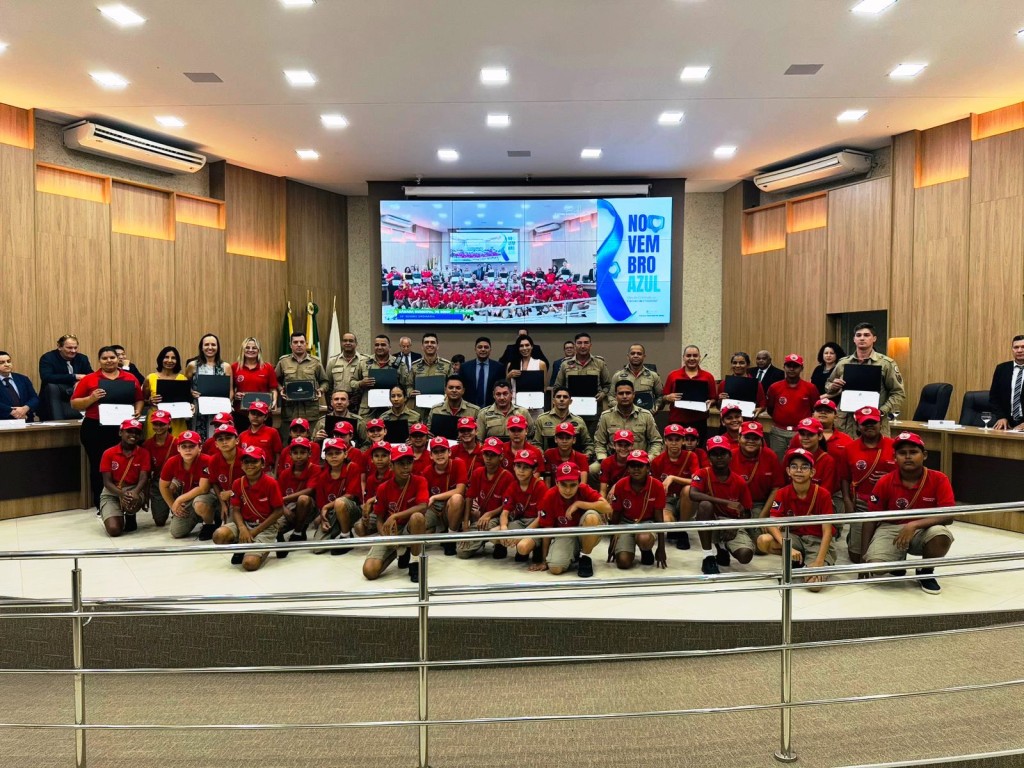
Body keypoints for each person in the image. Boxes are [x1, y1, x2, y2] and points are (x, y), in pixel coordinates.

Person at [864, 431, 955, 594]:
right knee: (876, 568)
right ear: (894, 457)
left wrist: (914, 525)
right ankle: (897, 560)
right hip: (891, 528)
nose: (907, 457)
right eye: (902, 453)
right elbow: (871, 518)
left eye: (913, 452)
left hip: (924, 528)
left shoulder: (939, 479)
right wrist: (862, 559)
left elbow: (948, 516)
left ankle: (926, 571)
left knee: (941, 535)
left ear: (924, 455)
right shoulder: (884, 481)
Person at [71, 346, 145, 511]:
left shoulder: (130, 377)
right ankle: (101, 504)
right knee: (99, 466)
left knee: (124, 464)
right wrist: (91, 398)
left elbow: (139, 399)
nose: (109, 361)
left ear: (118, 359)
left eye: (112, 357)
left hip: (123, 430)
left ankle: (126, 500)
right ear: (99, 361)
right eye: (104, 358)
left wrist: (138, 410)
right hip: (95, 428)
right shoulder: (89, 379)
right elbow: (74, 403)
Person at [756, 448, 835, 592]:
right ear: (788, 471)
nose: (799, 470)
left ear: (812, 472)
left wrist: (819, 562)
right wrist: (788, 548)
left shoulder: (823, 494)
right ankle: (798, 560)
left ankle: (814, 563)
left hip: (816, 541)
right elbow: (772, 523)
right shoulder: (782, 493)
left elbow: (827, 532)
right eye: (794, 466)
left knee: (814, 587)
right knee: (763, 540)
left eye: (804, 467)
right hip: (795, 538)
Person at [362, 443, 430, 584]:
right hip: (392, 530)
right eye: (400, 463)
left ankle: (415, 562)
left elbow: (423, 506)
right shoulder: (383, 488)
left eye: (409, 463)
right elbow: (379, 519)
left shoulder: (420, 481)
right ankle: (400, 551)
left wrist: (395, 515)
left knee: (417, 517)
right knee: (369, 571)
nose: (406, 467)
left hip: (410, 527)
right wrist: (386, 537)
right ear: (391, 466)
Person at [825, 322, 906, 437]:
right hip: (846, 423)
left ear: (874, 339)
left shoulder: (886, 364)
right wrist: (832, 387)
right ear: (854, 339)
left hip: (874, 422)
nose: (862, 338)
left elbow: (898, 393)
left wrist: (882, 411)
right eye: (858, 335)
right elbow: (828, 384)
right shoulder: (843, 362)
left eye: (866, 335)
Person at [837, 406, 896, 564]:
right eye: (864, 423)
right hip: (862, 503)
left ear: (880, 423)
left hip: (889, 503)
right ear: (858, 426)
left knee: (890, 559)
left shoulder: (894, 446)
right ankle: (854, 537)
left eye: (873, 422)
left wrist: (889, 478)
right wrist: (847, 501)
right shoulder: (849, 448)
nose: (869, 426)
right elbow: (844, 478)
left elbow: (907, 474)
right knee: (856, 558)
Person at [213, 445, 286, 571]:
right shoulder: (238, 483)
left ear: (263, 464)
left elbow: (279, 511)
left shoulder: (271, 483)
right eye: (246, 462)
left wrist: (255, 531)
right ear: (241, 465)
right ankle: (244, 545)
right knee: (219, 536)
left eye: (254, 461)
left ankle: (269, 542)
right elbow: (236, 509)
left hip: (265, 526)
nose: (250, 465)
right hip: (245, 523)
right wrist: (242, 528)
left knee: (250, 564)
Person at [533, 463, 611, 577]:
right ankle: (574, 555)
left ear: (579, 483)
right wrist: (544, 560)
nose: (568, 490)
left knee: (591, 517)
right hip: (565, 535)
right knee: (555, 568)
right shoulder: (549, 496)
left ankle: (585, 553)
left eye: (573, 485)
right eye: (563, 484)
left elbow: (607, 507)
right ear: (556, 482)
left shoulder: (584, 489)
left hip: (584, 532)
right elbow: (547, 531)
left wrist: (579, 504)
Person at [690, 435, 753, 575]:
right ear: (709, 457)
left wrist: (735, 527)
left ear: (730, 456)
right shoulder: (703, 473)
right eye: (714, 454)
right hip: (711, 521)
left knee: (745, 555)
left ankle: (723, 546)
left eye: (723, 453)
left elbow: (747, 511)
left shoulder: (739, 481)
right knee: (705, 505)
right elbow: (693, 494)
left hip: (731, 522)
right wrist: (725, 502)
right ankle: (708, 556)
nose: (719, 457)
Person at [608, 450, 668, 570]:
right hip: (626, 523)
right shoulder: (620, 485)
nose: (636, 469)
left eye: (640, 465)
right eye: (632, 465)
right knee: (623, 562)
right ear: (628, 468)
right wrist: (612, 543)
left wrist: (661, 548)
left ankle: (645, 549)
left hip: (647, 522)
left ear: (648, 467)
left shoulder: (657, 486)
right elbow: (616, 515)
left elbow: (659, 519)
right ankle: (628, 547)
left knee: (644, 539)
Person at [457, 437, 515, 559]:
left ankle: (499, 543)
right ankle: (482, 540)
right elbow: (469, 497)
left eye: (493, 455)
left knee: (486, 526)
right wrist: (466, 524)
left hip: (500, 516)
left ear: (501, 456)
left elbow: (507, 505)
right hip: (482, 515)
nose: (488, 458)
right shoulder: (478, 472)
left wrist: (490, 514)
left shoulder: (507, 476)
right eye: (486, 454)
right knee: (462, 552)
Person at [592, 380, 663, 476]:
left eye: (628, 393)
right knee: (593, 470)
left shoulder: (646, 415)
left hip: (639, 461)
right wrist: (604, 460)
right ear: (616, 396)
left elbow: (656, 441)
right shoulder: (606, 416)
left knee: (657, 469)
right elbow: (599, 443)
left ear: (633, 395)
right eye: (621, 393)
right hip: (613, 461)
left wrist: (648, 459)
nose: (624, 396)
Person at [158, 430, 217, 539]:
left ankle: (210, 524)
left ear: (200, 447)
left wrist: (179, 500)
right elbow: (163, 486)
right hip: (189, 497)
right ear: (178, 448)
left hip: (207, 495)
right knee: (176, 532)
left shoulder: (207, 460)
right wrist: (173, 506)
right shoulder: (171, 462)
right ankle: (197, 516)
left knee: (200, 503)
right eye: (184, 446)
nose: (187, 449)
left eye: (192, 446)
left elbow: (203, 488)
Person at [730, 422, 784, 542]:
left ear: (762, 440)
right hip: (735, 504)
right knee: (735, 538)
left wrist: (763, 516)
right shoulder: (730, 456)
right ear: (739, 438)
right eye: (747, 437)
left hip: (760, 505)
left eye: (755, 438)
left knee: (760, 541)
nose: (751, 441)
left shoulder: (770, 456)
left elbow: (776, 488)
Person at [97, 418, 150, 537]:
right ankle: (116, 513)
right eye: (129, 431)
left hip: (133, 489)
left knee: (131, 499)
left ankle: (130, 515)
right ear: (120, 432)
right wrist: (121, 494)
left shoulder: (144, 453)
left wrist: (135, 492)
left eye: (137, 432)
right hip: (112, 491)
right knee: (114, 530)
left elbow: (144, 477)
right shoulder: (108, 453)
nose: (133, 435)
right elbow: (107, 482)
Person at [311, 437, 364, 555]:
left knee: (340, 502)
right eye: (330, 454)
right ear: (325, 457)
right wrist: (323, 519)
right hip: (333, 512)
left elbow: (351, 495)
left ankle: (345, 536)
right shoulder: (322, 475)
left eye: (337, 453)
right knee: (317, 549)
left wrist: (326, 507)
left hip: (352, 509)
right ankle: (338, 530)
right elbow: (321, 504)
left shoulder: (352, 467)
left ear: (345, 454)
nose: (334, 457)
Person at [652, 423, 701, 550]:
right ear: (665, 441)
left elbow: (697, 481)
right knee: (667, 522)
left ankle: (682, 530)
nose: (674, 443)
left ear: (683, 441)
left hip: (684, 499)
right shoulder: (657, 461)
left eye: (677, 439)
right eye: (670, 439)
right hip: (667, 500)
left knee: (688, 490)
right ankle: (674, 526)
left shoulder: (691, 456)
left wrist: (673, 478)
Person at [553, 332, 612, 434]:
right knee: (571, 436)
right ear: (575, 345)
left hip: (593, 407)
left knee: (591, 437)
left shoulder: (599, 363)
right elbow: (557, 386)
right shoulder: (565, 364)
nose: (583, 346)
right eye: (579, 343)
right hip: (570, 408)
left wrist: (602, 394)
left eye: (586, 343)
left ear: (590, 345)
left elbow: (608, 385)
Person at [765, 354, 820, 460]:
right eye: (789, 366)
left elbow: (815, 409)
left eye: (795, 366)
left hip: (802, 433)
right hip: (778, 432)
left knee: (801, 461)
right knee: (778, 461)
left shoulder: (810, 388)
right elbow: (770, 409)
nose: (791, 369)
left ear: (801, 368)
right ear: (784, 367)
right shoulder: (774, 387)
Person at [276, 331, 329, 441]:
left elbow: (325, 382)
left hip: (310, 412)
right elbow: (275, 381)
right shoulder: (283, 362)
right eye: (295, 342)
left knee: (312, 442)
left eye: (301, 342)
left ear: (306, 344)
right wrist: (281, 389)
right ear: (290, 345)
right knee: (287, 443)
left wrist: (320, 390)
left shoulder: (315, 362)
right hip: (290, 412)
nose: (299, 345)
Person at [496, 450, 547, 563]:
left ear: (534, 469)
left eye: (526, 467)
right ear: (513, 467)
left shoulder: (540, 486)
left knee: (522, 547)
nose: (521, 471)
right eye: (518, 466)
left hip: (536, 524)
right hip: (521, 521)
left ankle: (536, 548)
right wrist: (504, 528)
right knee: (495, 533)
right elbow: (505, 511)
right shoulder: (513, 486)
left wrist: (524, 534)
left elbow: (541, 517)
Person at [274, 436, 320, 555]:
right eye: (295, 453)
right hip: (288, 508)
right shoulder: (284, 473)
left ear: (309, 453)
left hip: (309, 507)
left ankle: (298, 532)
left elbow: (310, 490)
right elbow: (276, 496)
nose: (299, 456)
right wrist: (284, 510)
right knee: (275, 527)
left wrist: (284, 499)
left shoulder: (315, 469)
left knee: (303, 499)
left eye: (303, 452)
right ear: (290, 454)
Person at [662, 345, 718, 438]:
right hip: (677, 421)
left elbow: (714, 399)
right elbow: (663, 398)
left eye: (695, 355)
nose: (692, 358)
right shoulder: (673, 375)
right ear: (683, 357)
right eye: (688, 356)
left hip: (699, 422)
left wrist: (710, 402)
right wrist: (668, 397)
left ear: (699, 357)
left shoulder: (708, 376)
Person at [424, 437, 468, 555]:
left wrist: (434, 497)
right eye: (436, 452)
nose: (440, 455)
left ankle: (451, 538)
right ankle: (438, 531)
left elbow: (460, 490)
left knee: (457, 498)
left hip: (450, 506)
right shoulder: (427, 471)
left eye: (443, 451)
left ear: (449, 452)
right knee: (419, 525)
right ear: (431, 455)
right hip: (434, 508)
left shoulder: (458, 464)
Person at [186, 333, 234, 439]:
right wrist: (191, 392)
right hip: (198, 411)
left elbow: (230, 391)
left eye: (213, 345)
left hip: (219, 411)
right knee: (198, 439)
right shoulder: (193, 365)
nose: (210, 347)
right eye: (206, 344)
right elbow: (185, 387)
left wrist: (226, 407)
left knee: (218, 439)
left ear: (218, 347)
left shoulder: (225, 367)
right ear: (201, 347)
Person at [38, 334, 93, 420]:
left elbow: (91, 376)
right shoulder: (48, 358)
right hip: (52, 401)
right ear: (59, 347)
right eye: (69, 348)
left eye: (75, 348)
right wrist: (74, 377)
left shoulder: (82, 358)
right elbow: (47, 377)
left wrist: (80, 382)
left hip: (77, 400)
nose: (73, 351)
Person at [231, 337, 279, 431]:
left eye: (254, 348)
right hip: (241, 414)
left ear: (259, 350)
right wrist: (235, 395)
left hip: (263, 414)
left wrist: (274, 401)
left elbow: (273, 389)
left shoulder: (268, 367)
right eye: (247, 347)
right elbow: (230, 390)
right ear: (242, 350)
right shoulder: (234, 367)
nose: (250, 350)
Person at [142, 346, 189, 438]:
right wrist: (150, 401)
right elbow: (143, 400)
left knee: (177, 444)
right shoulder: (150, 378)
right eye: (166, 357)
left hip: (177, 420)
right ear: (161, 359)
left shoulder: (182, 379)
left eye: (173, 358)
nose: (170, 360)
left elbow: (187, 400)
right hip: (156, 420)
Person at [535, 387, 594, 456]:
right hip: (550, 460)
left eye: (565, 397)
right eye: (558, 397)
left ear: (570, 401)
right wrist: (541, 456)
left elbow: (588, 444)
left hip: (574, 461)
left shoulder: (579, 421)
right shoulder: (542, 420)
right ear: (553, 401)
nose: (562, 399)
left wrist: (586, 455)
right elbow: (536, 444)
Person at [207, 422, 245, 529]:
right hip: (225, 497)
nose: (224, 442)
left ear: (237, 440)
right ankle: (215, 517)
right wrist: (222, 504)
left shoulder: (245, 458)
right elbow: (214, 483)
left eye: (228, 438)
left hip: (245, 495)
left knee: (230, 531)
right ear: (216, 444)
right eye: (220, 439)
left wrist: (232, 493)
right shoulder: (213, 460)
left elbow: (254, 483)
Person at [142, 410, 176, 527]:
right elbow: (146, 472)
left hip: (175, 481)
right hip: (157, 482)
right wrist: (146, 494)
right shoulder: (147, 445)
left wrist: (176, 482)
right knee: (159, 521)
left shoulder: (177, 443)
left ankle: (176, 508)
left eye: (162, 424)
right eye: (156, 424)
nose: (158, 427)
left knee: (179, 515)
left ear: (169, 424)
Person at [357, 334, 402, 419]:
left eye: (383, 345)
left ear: (389, 347)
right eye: (377, 345)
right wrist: (361, 383)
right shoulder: (363, 362)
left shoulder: (399, 364)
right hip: (368, 409)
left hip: (391, 409)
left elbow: (406, 386)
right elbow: (352, 382)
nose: (379, 347)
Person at [326, 331, 370, 413]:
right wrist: (330, 403)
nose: (348, 343)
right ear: (341, 343)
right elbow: (328, 385)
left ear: (356, 343)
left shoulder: (365, 360)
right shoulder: (333, 361)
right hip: (338, 401)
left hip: (358, 402)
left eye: (351, 341)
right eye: (345, 341)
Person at [613, 344, 663, 413]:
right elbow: (611, 396)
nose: (635, 356)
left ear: (644, 356)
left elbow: (660, 396)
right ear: (628, 356)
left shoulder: (653, 376)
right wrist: (621, 408)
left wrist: (655, 407)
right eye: (632, 353)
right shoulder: (618, 376)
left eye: (639, 354)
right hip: (623, 415)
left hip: (646, 415)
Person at [988, 334, 1024, 430]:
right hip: (1006, 424)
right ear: (1012, 349)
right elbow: (994, 397)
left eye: (1023, 347)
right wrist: (1001, 417)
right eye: (1016, 347)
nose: (1019, 350)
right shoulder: (1001, 369)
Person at [506, 334, 548, 414]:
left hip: (535, 407)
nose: (524, 348)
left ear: (532, 346)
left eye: (527, 345)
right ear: (518, 348)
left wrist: (535, 400)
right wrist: (508, 376)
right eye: (521, 346)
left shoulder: (540, 364)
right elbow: (507, 388)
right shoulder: (511, 365)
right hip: (515, 406)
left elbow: (544, 388)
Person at [716, 351, 766, 416]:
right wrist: (720, 401)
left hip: (748, 420)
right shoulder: (723, 383)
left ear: (748, 365)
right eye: (734, 363)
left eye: (741, 363)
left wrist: (760, 409)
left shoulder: (756, 384)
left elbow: (763, 405)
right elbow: (718, 406)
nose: (737, 365)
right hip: (728, 420)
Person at [238, 400, 284, 471]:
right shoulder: (242, 435)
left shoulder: (272, 432)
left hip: (267, 471)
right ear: (248, 415)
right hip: (248, 472)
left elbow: (278, 454)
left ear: (265, 417)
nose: (255, 416)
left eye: (259, 414)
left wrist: (275, 473)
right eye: (253, 413)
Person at [461, 336, 506, 408]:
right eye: (480, 347)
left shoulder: (499, 367)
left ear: (490, 350)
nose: (483, 349)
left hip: (492, 408)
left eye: (486, 347)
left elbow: (501, 388)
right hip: (469, 408)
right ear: (475, 350)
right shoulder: (465, 367)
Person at [0, 351, 40, 421]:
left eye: (8, 361)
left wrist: (25, 408)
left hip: (26, 419)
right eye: (2, 362)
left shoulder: (23, 379)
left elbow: (34, 398)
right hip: (3, 421)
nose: (7, 364)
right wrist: (11, 411)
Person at [597, 429, 636, 499]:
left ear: (632, 446)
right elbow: (603, 491)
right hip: (611, 495)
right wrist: (603, 502)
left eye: (627, 445)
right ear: (614, 445)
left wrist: (616, 486)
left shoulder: (637, 462)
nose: (623, 448)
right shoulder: (606, 462)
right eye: (620, 445)